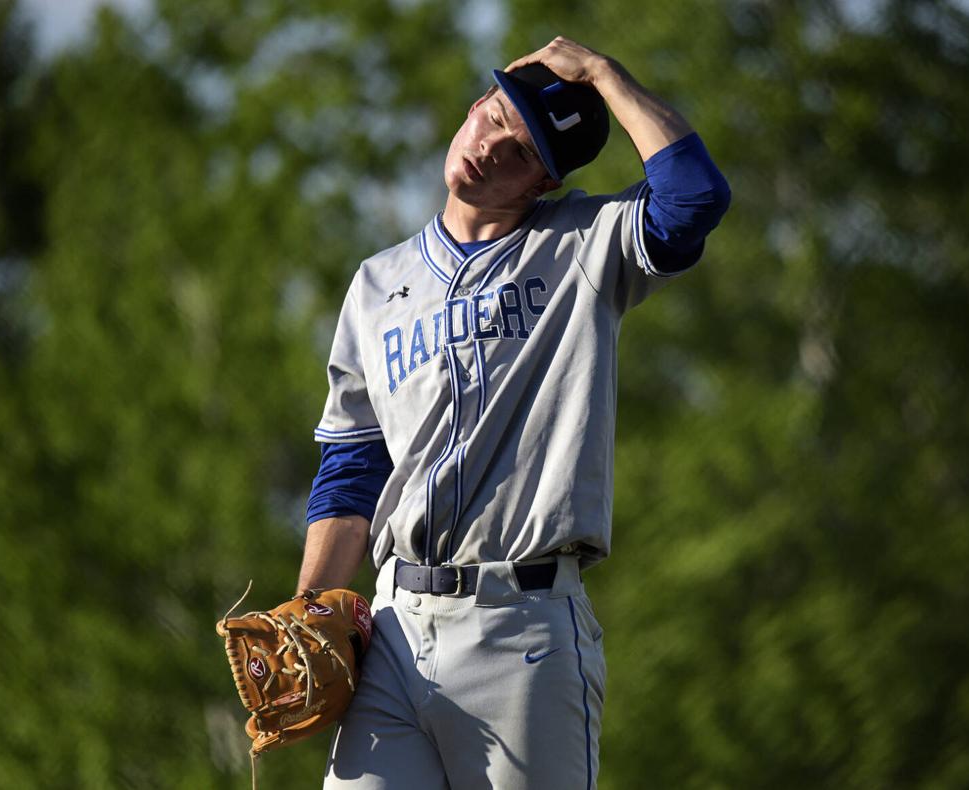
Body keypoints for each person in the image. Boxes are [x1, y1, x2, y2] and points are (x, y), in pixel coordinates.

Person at [301, 37, 730, 789]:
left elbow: (694, 197)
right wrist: (308, 607)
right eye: (493, 117)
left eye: (519, 148)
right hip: (394, 628)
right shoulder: (376, 286)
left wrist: (603, 74)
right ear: (472, 108)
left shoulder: (584, 247)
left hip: (522, 632)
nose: (488, 146)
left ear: (541, 182)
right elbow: (354, 468)